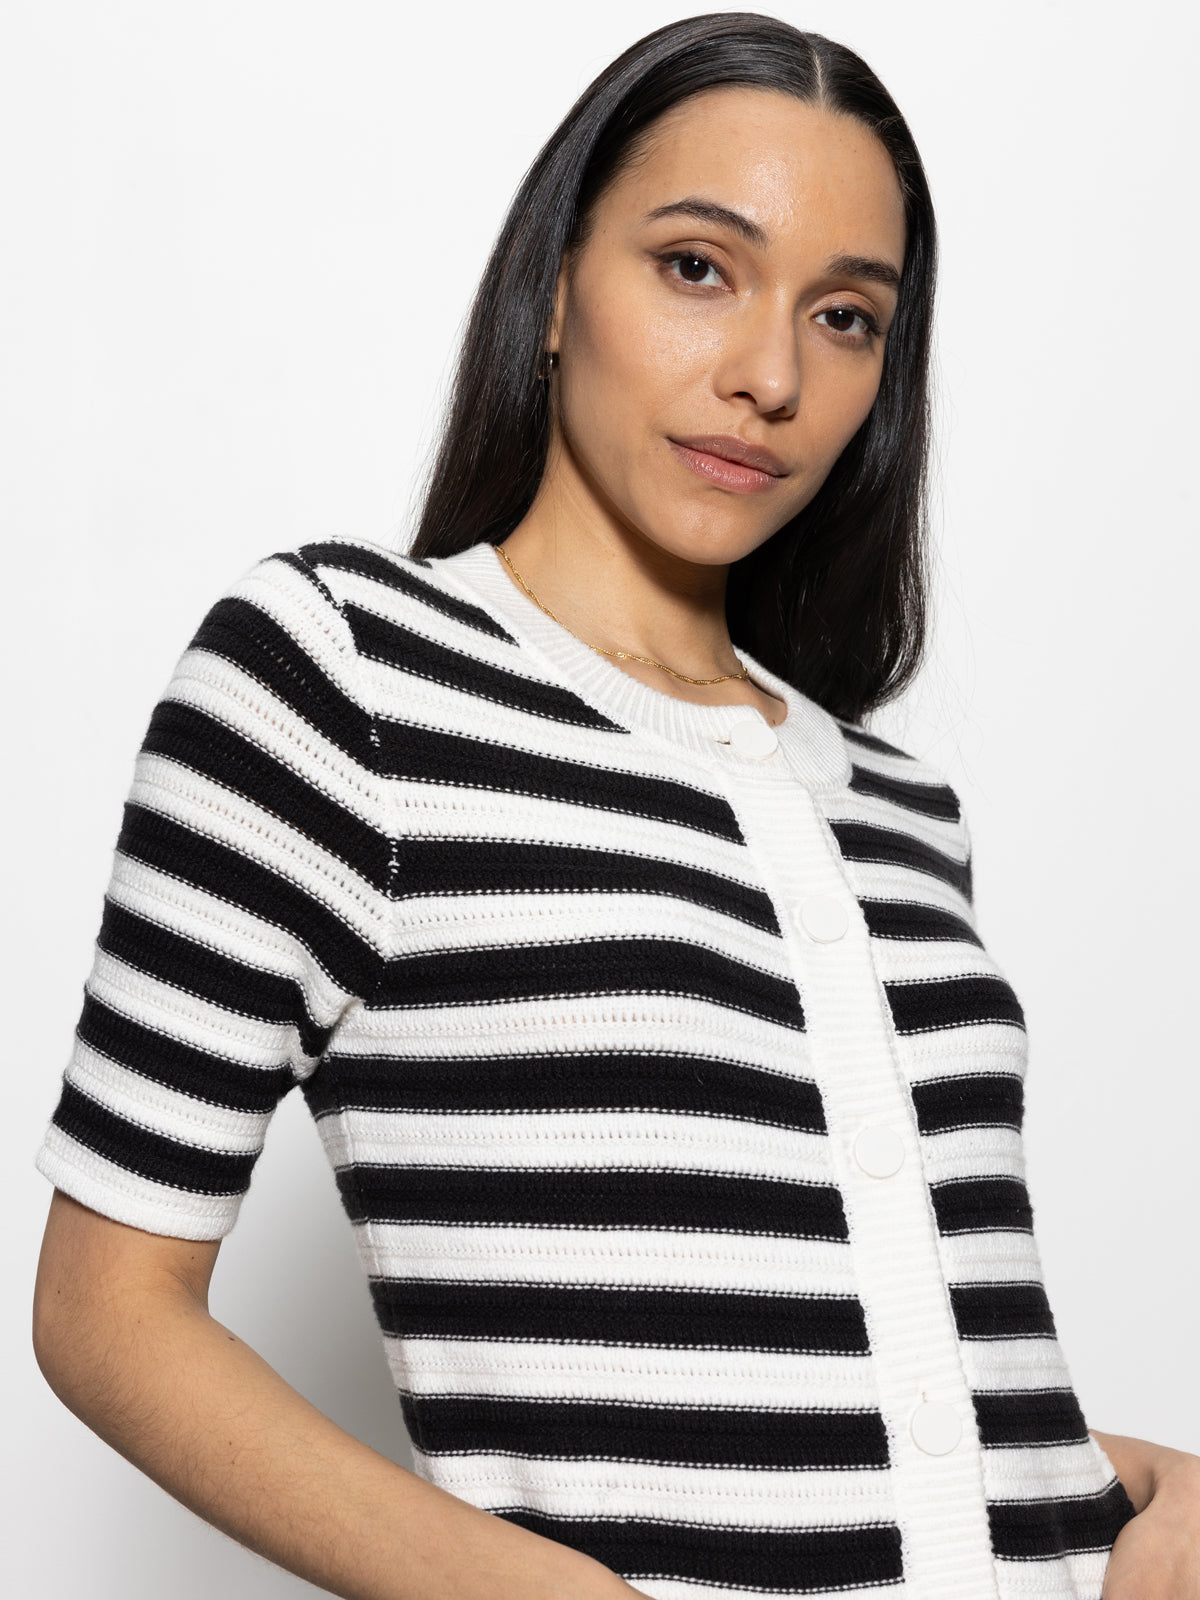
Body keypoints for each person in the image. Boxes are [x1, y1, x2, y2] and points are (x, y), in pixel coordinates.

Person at [30, 12, 1199, 1600]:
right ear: (558, 286)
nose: (771, 377)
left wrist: (1148, 1489)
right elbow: (105, 1312)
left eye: (846, 317)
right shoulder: (339, 678)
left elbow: (865, 1377)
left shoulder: (902, 811)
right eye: (698, 268)